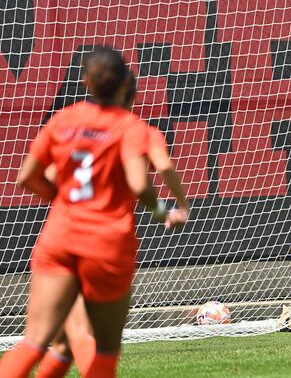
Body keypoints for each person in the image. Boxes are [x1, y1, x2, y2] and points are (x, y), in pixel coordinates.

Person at [0, 47, 184, 378]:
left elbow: (27, 177)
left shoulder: (65, 120)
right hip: (105, 245)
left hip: (60, 238)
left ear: (86, 81)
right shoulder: (132, 128)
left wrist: (64, 200)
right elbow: (141, 181)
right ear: (127, 85)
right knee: (102, 347)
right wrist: (165, 209)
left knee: (37, 343)